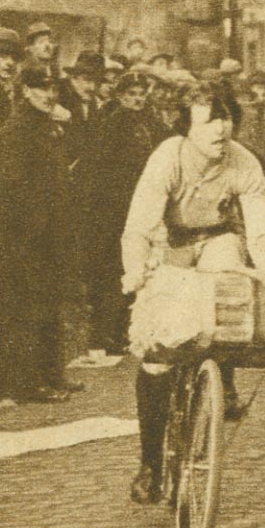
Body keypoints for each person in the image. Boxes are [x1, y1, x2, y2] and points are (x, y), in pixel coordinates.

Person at [121, 82, 265, 503]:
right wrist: (135, 270)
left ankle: (221, 377)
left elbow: (261, 229)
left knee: (228, 291)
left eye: (226, 118)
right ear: (187, 126)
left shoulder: (244, 162)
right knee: (158, 349)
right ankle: (151, 465)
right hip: (171, 241)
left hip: (217, 237)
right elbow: (139, 224)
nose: (220, 129)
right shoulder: (168, 157)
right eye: (209, 120)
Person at [0, 66, 84, 404]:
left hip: (50, 233)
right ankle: (28, 382)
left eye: (52, 88)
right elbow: (11, 186)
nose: (49, 95)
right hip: (27, 236)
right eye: (41, 88)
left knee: (49, 305)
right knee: (27, 309)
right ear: (26, 91)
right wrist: (28, 231)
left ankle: (52, 373)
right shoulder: (17, 129)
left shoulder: (47, 125)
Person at [80, 72, 160, 357]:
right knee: (113, 269)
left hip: (139, 205)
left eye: (141, 94)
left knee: (137, 265)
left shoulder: (148, 122)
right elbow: (101, 168)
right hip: (114, 208)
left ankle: (125, 330)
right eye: (132, 94)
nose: (137, 99)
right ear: (121, 96)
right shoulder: (113, 124)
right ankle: (105, 333)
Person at [58, 50, 106, 167]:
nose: (92, 87)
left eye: (97, 82)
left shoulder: (93, 102)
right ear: (73, 77)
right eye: (87, 80)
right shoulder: (58, 97)